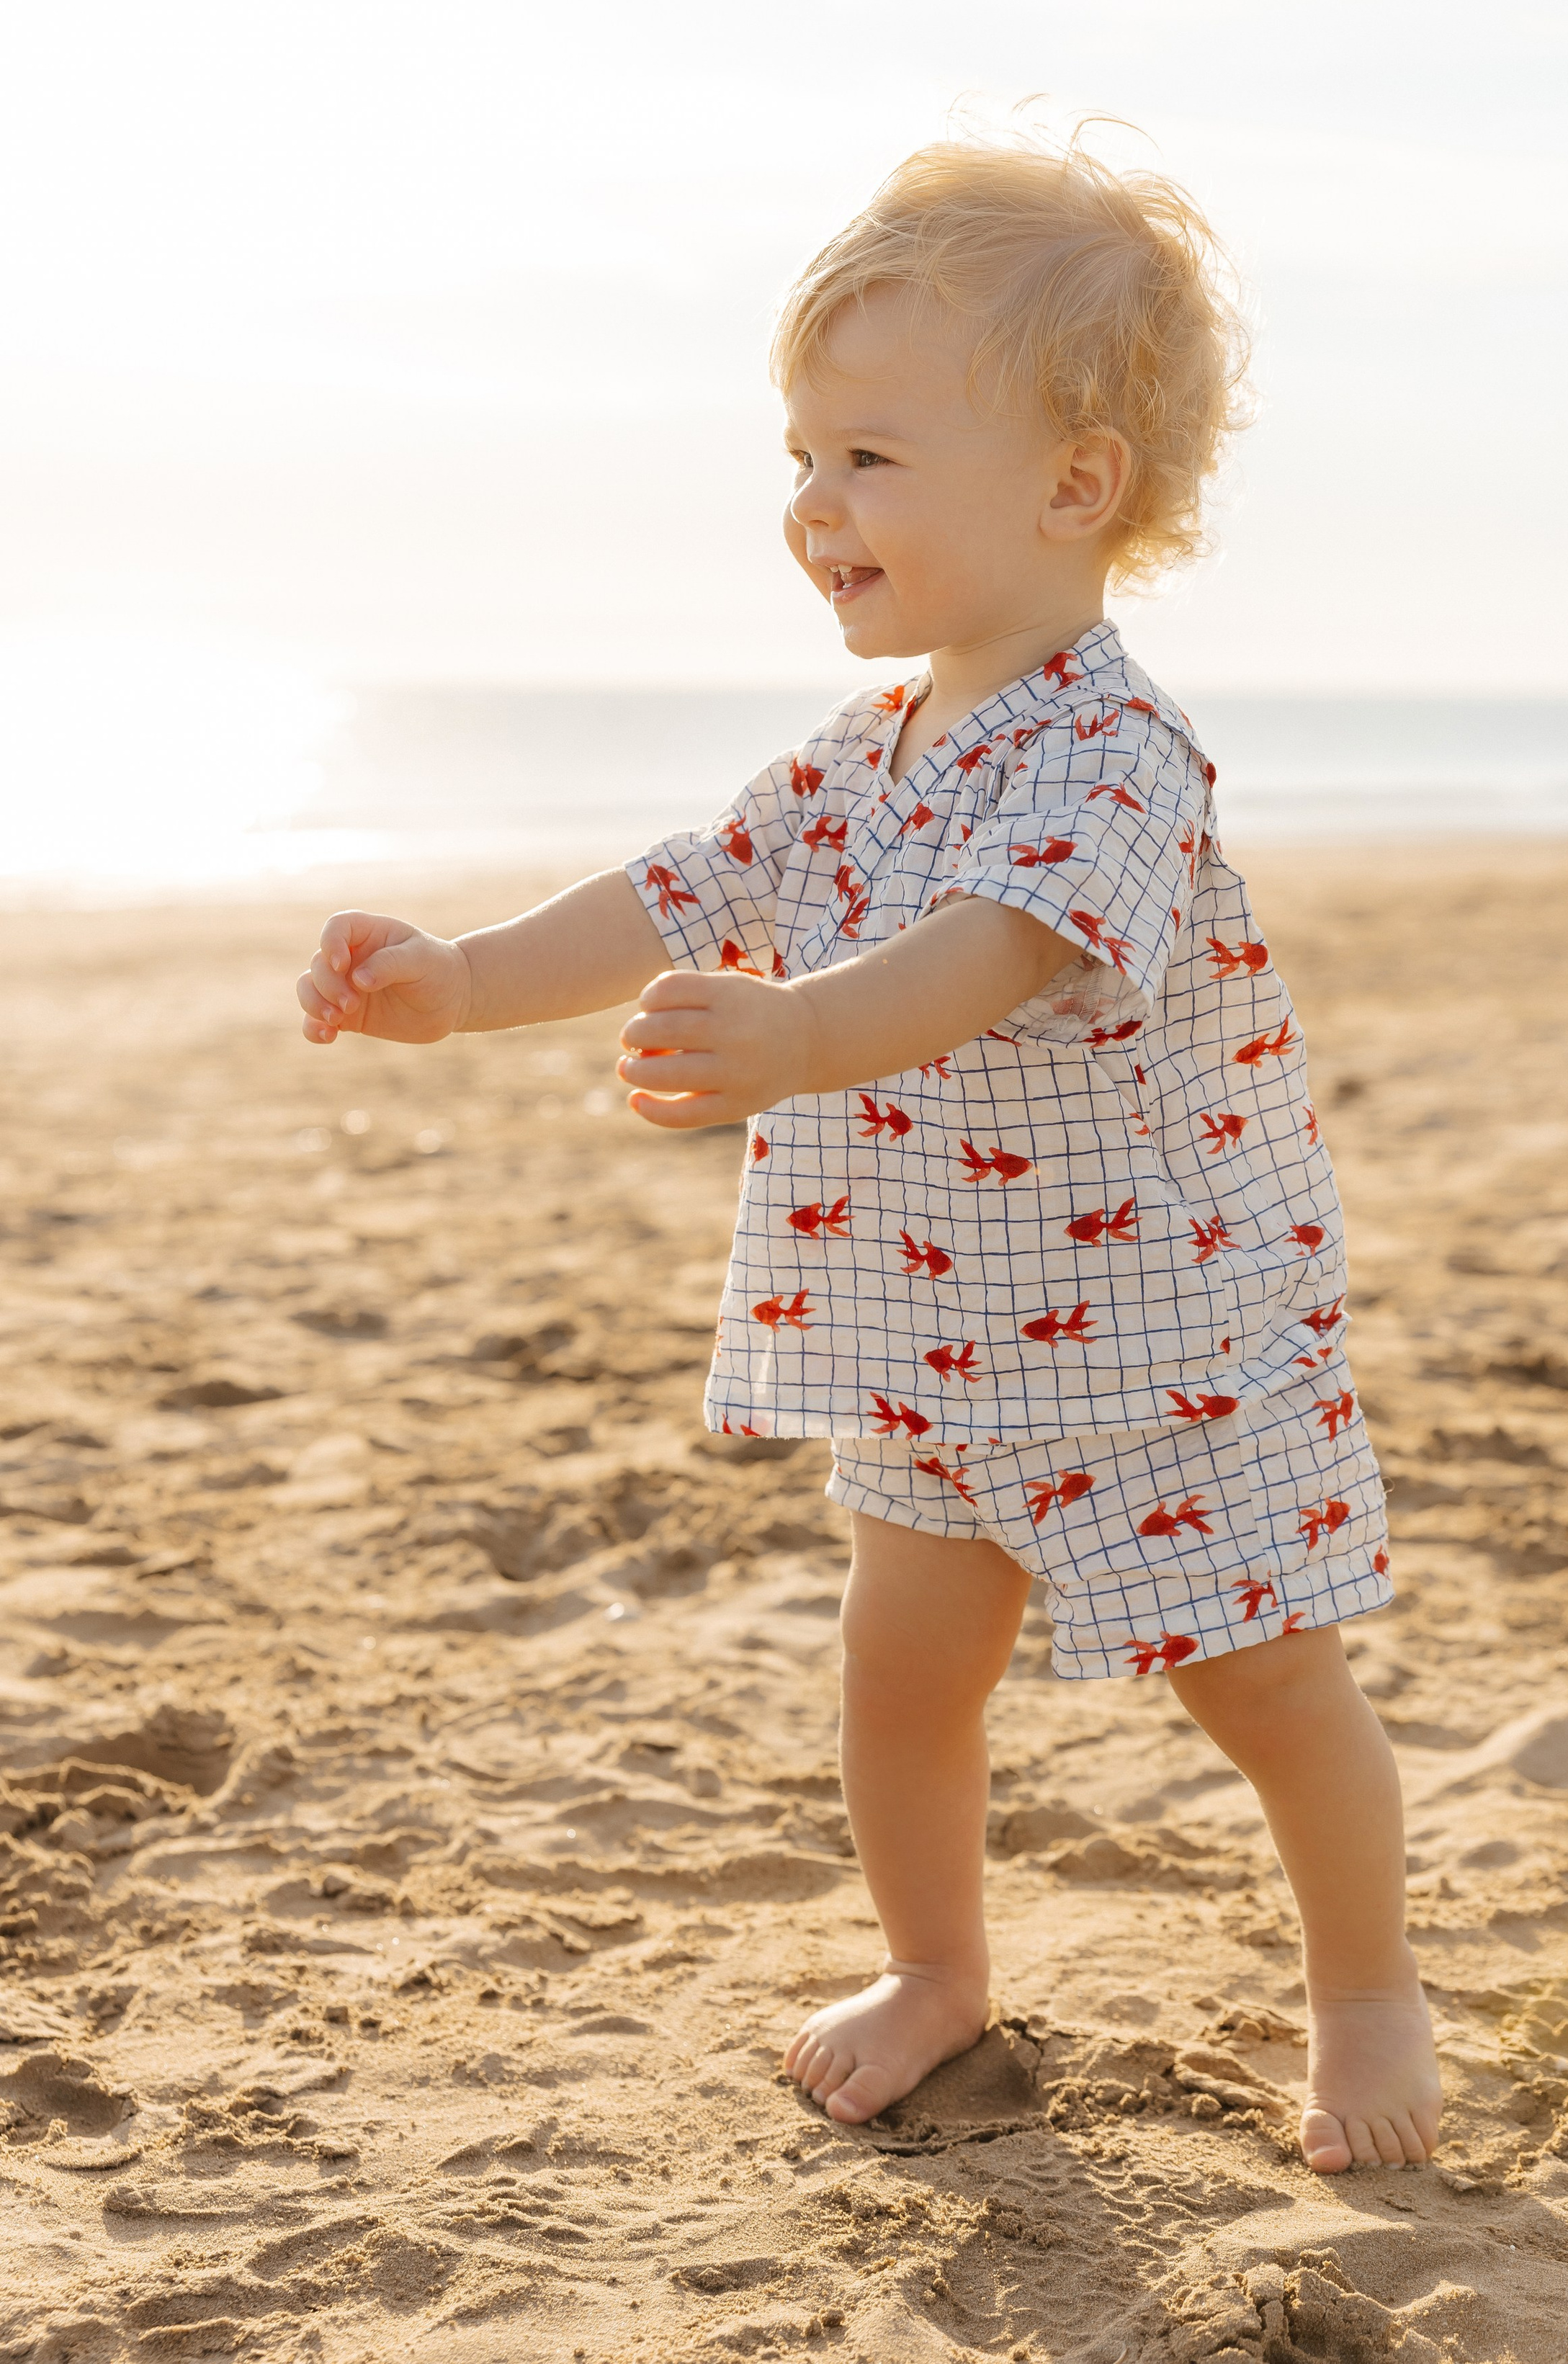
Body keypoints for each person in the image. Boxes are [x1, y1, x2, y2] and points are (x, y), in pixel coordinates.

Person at [296, 133, 1441, 2174]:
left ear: (1074, 485)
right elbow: (684, 882)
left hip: (1151, 1336)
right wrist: (462, 980)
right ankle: (936, 1969)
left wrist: (807, 1030)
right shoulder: (867, 746)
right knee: (901, 1671)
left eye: (873, 462)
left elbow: (998, 950)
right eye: (803, 461)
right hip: (925, 1325)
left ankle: (1366, 1993)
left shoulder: (1112, 745)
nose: (816, 509)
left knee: (1265, 1680)